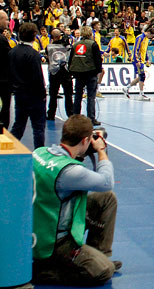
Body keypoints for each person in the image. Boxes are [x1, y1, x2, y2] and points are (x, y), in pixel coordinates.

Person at [31, 114, 120, 286]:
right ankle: (46, 272)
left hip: (42, 224)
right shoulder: (70, 172)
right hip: (56, 242)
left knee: (106, 199)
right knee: (104, 272)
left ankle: (98, 255)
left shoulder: (40, 152)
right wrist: (101, 151)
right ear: (85, 140)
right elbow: (106, 182)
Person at [9, 22, 47, 148]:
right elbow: (37, 77)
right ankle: (39, 153)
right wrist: (42, 94)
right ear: (34, 35)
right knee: (38, 127)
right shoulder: (33, 54)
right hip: (34, 95)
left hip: (19, 94)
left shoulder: (12, 52)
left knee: (18, 125)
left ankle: (6, 149)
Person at [69, 26, 103, 126]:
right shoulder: (93, 44)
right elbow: (98, 60)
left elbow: (71, 59)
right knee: (91, 97)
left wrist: (72, 71)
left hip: (78, 72)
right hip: (90, 72)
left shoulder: (75, 44)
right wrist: (98, 71)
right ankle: (91, 119)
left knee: (78, 96)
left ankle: (75, 117)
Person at [46, 28, 74, 121]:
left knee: (53, 95)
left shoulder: (49, 47)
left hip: (54, 73)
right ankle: (70, 114)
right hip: (65, 72)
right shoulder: (66, 46)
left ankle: (51, 114)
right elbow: (71, 51)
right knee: (68, 95)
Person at [122, 27, 154, 101]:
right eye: (152, 36)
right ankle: (141, 94)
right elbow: (136, 49)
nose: (152, 37)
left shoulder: (147, 39)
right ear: (149, 33)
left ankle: (126, 88)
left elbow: (145, 50)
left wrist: (147, 60)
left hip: (142, 60)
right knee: (142, 76)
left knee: (140, 77)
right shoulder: (140, 37)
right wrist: (137, 60)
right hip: (137, 60)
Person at [0, 12, 12, 129]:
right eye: (6, 19)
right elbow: (9, 57)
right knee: (4, 107)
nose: (8, 22)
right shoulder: (2, 39)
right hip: (3, 80)